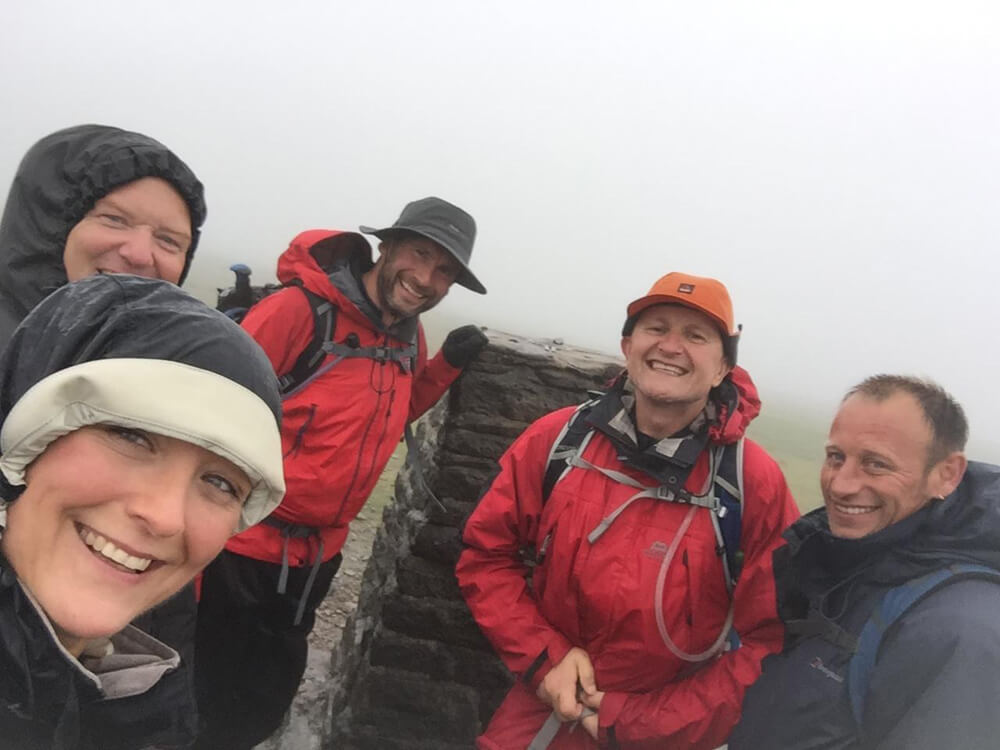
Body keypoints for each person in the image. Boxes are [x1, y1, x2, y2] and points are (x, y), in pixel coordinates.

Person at [456, 272, 800, 749]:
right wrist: (546, 660)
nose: (671, 346)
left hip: (665, 732)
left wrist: (643, 723)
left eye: (696, 336)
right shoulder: (558, 442)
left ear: (724, 368)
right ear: (627, 345)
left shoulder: (751, 483)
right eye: (656, 327)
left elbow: (772, 642)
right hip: (542, 712)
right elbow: (485, 555)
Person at [194, 196, 490, 748]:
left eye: (444, 269)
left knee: (264, 697)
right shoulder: (299, 313)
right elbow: (212, 410)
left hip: (317, 556)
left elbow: (390, 415)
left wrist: (444, 365)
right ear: (387, 245)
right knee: (200, 691)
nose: (425, 277)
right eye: (420, 254)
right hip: (237, 544)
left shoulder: (407, 334)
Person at [0, 273, 284, 750]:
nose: (165, 517)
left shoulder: (145, 700)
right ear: (23, 443)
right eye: (130, 436)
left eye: (220, 483)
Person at [729, 375, 1000, 750]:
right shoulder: (858, 559)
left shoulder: (959, 630)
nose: (841, 484)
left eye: (875, 464)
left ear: (946, 474)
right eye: (836, 457)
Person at [0, 123, 206, 343]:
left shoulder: (177, 364)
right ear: (45, 224)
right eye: (114, 219)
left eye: (168, 240)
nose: (139, 255)